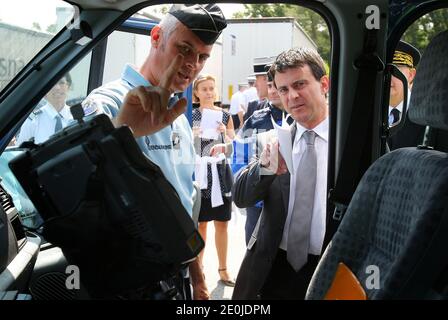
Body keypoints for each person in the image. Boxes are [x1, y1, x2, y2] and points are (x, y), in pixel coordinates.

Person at [81, 4, 227, 300]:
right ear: (157, 36)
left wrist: (198, 278)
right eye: (183, 49)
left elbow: (187, 204)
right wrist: (124, 131)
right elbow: (79, 189)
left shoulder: (180, 120)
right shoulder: (108, 104)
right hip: (129, 282)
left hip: (177, 282)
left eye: (202, 57)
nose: (192, 64)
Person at [232, 47, 329, 300]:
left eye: (300, 84)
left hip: (329, 268)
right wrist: (265, 168)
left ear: (324, 84)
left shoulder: (352, 144)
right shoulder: (273, 140)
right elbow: (241, 197)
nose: (292, 96)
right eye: (283, 89)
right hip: (275, 268)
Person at [237, 64, 293, 245]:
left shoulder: (300, 119)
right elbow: (239, 161)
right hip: (259, 206)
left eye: (279, 87)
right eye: (270, 86)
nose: (274, 91)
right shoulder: (255, 119)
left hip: (292, 208)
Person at [191, 74, 235, 287]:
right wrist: (193, 135)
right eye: (204, 89)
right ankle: (198, 270)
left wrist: (225, 134)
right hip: (200, 172)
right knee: (201, 224)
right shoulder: (190, 116)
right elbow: (180, 146)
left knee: (222, 222)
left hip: (220, 171)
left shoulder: (225, 115)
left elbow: (234, 145)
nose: (209, 92)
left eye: (211, 88)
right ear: (196, 93)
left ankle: (223, 269)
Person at [387, 40, 426, 150]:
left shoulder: (427, 119)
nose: (388, 76)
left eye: (396, 68)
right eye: (384, 69)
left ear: (411, 75)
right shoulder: (369, 113)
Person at [16, 74, 73, 145]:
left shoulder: (76, 117)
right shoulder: (33, 121)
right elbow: (20, 152)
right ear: (45, 90)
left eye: (61, 83)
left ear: (68, 86)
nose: (57, 87)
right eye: (52, 83)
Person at [243, 57, 272, 122]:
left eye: (257, 78)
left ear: (267, 79)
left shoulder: (287, 110)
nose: (255, 85)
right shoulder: (258, 107)